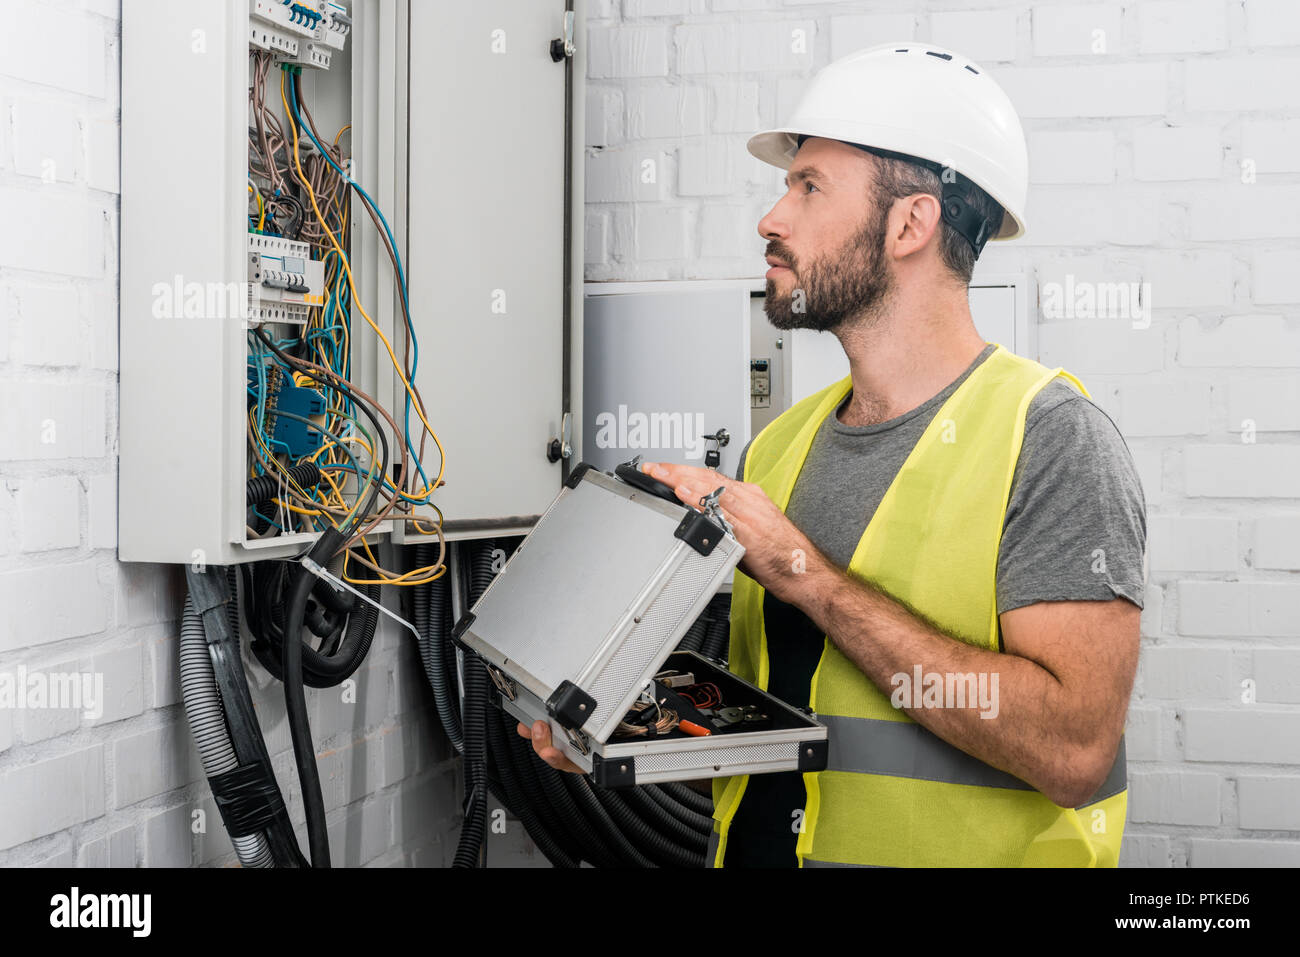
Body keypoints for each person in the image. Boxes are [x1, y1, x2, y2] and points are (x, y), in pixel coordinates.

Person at [522, 42, 1146, 868]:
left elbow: (1073, 751)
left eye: (808, 185)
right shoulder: (779, 444)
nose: (771, 218)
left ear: (910, 224)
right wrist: (616, 719)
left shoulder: (1053, 440)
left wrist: (801, 570)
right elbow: (787, 710)